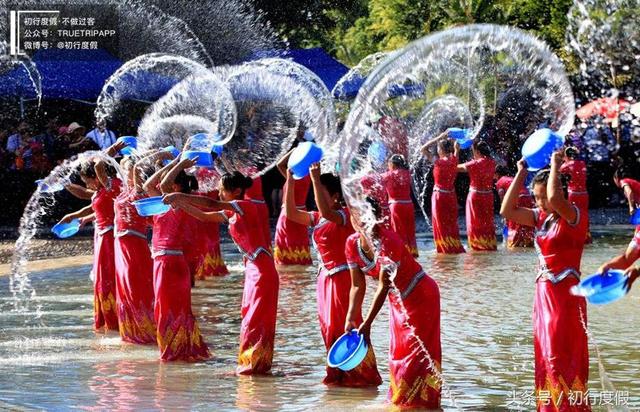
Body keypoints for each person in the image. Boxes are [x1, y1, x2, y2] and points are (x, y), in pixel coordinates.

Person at [164, 171, 279, 374]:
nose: (218, 193)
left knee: (255, 319)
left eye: (222, 190)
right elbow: (204, 215)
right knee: (248, 317)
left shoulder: (245, 206)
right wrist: (180, 205)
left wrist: (180, 196)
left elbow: (212, 205)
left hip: (263, 272)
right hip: (253, 271)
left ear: (236, 191)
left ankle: (254, 365)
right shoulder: (232, 212)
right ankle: (249, 363)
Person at [500, 152, 590, 410]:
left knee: (560, 353)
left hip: (566, 296)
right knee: (545, 353)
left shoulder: (574, 215)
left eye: (543, 197)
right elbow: (506, 210)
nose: (540, 203)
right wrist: (521, 172)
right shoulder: (539, 217)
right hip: (543, 295)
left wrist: (554, 165)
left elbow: (554, 198)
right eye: (536, 198)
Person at [284, 163, 382, 386]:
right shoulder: (317, 217)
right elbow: (290, 212)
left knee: (345, 325)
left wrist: (316, 179)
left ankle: (361, 376)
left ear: (335, 196)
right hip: (323, 280)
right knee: (328, 327)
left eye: (321, 192)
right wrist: (290, 179)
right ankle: (337, 375)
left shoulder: (343, 215)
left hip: (342, 279)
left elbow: (327, 211)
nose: (315, 196)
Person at [344, 197, 441, 408]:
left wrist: (367, 322)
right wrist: (351, 317)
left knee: (416, 355)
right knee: (398, 353)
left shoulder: (389, 242)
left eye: (364, 216)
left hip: (421, 296)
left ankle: (422, 403)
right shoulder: (351, 244)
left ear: (377, 219)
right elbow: (357, 286)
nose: (359, 220)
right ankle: (404, 401)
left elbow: (383, 285)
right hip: (398, 302)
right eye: (356, 215)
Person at [142, 157, 210, 361]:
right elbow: (147, 185)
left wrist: (179, 164)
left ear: (175, 186)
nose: (160, 187)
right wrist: (173, 164)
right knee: (170, 308)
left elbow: (159, 185)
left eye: (167, 182)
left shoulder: (177, 202)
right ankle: (178, 350)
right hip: (166, 261)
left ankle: (172, 352)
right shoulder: (165, 203)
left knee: (167, 308)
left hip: (169, 263)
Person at [59, 157, 122, 332]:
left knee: (107, 279)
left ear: (96, 177)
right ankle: (106, 320)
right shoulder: (102, 190)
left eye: (88, 181)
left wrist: (104, 153)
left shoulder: (112, 186)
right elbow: (96, 206)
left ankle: (114, 320)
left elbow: (99, 166)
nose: (88, 185)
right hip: (101, 236)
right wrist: (79, 217)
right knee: (101, 279)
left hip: (109, 238)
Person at [112, 150, 156, 344]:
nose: (126, 173)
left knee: (135, 285)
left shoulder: (139, 192)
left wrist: (155, 155)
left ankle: (145, 330)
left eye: (129, 170)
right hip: (119, 244)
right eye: (124, 170)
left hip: (134, 244)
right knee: (124, 286)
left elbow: (138, 168)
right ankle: (130, 331)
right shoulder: (122, 193)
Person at [421, 133, 465, 254]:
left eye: (438, 148)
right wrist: (456, 147)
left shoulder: (438, 162)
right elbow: (456, 151)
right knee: (451, 223)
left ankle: (444, 249)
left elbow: (423, 149)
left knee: (441, 223)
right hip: (451, 196)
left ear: (441, 150)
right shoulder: (454, 160)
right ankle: (453, 246)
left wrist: (438, 138)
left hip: (439, 196)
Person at [598, 170, 640, 291]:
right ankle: (607, 268)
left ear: (616, 178)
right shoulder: (634, 182)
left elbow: (629, 192)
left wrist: (631, 207)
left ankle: (607, 268)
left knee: (628, 258)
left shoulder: (624, 181)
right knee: (628, 257)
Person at [273, 148, 312, 266]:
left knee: (285, 246)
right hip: (301, 214)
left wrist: (294, 150)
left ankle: (287, 275)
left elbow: (279, 164)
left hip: (288, 213)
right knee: (299, 246)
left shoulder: (295, 177)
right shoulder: (306, 175)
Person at [457, 140, 497, 251]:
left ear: (478, 152)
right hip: (488, 196)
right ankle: (489, 245)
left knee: (474, 223)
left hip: (475, 197)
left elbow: (454, 167)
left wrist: (456, 151)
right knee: (487, 223)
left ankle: (477, 248)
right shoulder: (492, 162)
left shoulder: (474, 164)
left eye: (474, 151)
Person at [382, 154, 418, 256]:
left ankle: (401, 255)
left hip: (396, 206)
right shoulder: (407, 173)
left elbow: (370, 180)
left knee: (398, 232)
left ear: (392, 164)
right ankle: (412, 254)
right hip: (409, 205)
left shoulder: (388, 175)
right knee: (409, 232)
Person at [495, 166, 535, 248]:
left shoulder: (500, 181)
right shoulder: (511, 178)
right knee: (525, 222)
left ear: (497, 174)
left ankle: (515, 245)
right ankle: (527, 242)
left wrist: (505, 214)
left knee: (514, 221)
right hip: (528, 197)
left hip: (518, 199)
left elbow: (503, 198)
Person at [560, 146, 591, 244]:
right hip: (584, 194)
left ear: (566, 155)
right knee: (584, 214)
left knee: (571, 214)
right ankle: (586, 237)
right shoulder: (582, 164)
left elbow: (556, 174)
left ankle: (572, 236)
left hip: (573, 194)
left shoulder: (566, 165)